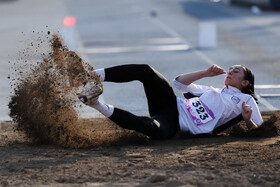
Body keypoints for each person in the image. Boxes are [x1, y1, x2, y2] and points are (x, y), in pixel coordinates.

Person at [77, 64, 263, 140]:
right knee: (147, 71)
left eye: (236, 71)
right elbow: (178, 83)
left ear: (245, 82)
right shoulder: (212, 91)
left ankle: (95, 104)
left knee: (148, 125)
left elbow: (261, 131)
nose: (230, 72)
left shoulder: (246, 100)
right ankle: (91, 75)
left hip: (175, 125)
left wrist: (248, 120)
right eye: (230, 69)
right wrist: (204, 73)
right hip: (172, 104)